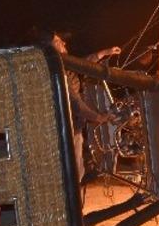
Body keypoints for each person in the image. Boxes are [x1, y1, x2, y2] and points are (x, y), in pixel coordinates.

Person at [39, 30, 119, 180]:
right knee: (75, 171)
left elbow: (83, 64)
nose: (64, 43)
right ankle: (71, 202)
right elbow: (75, 102)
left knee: (75, 169)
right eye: (58, 41)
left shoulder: (62, 64)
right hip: (67, 128)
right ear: (49, 47)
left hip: (70, 126)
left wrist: (103, 53)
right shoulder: (57, 71)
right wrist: (98, 117)